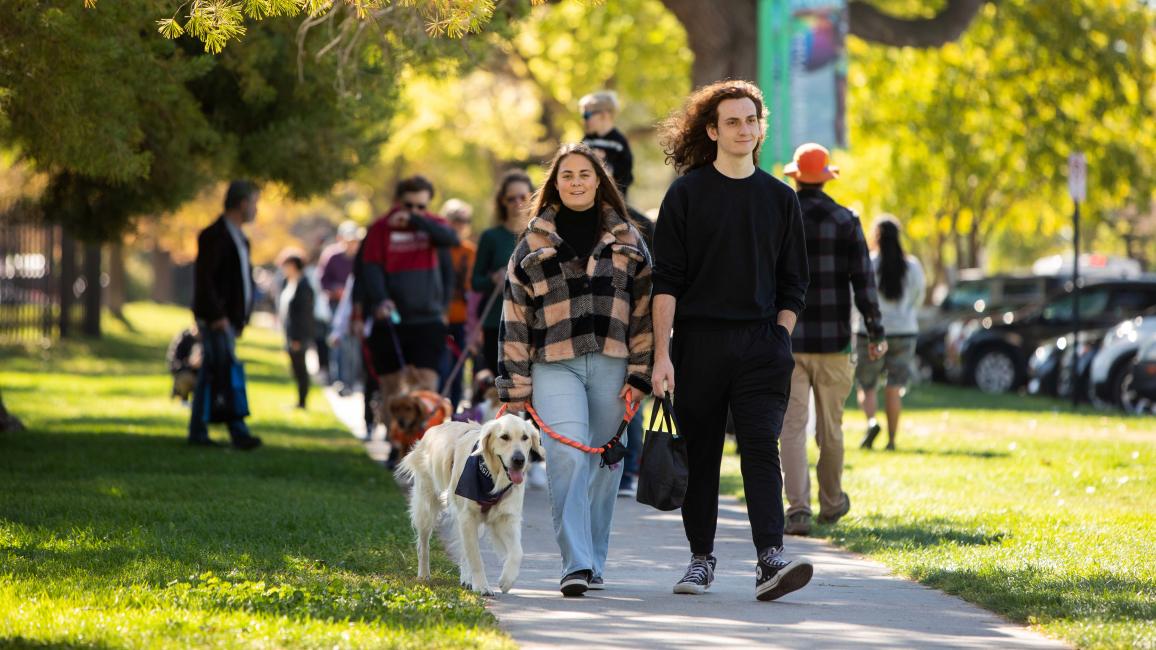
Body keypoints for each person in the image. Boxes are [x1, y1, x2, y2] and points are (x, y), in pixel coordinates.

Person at [650, 80, 812, 602]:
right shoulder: (685, 195)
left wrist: (778, 336)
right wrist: (662, 355)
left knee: (761, 447)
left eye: (751, 120)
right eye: (733, 121)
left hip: (762, 346)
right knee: (702, 454)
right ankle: (701, 559)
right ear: (714, 130)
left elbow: (795, 282)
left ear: (760, 128)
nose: (744, 129)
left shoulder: (780, 198)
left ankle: (771, 559)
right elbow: (666, 282)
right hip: (698, 343)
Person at [497, 142, 653, 597]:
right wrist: (514, 383)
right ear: (555, 183)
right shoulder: (533, 240)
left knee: (604, 465)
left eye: (585, 174)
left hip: (613, 364)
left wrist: (640, 372)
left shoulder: (628, 238)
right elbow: (514, 315)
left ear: (599, 181)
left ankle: (595, 559)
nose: (577, 182)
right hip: (553, 365)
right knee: (566, 457)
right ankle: (576, 564)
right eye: (568, 175)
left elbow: (644, 309)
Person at [780, 142, 886, 537]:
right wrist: (875, 332)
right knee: (831, 429)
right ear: (827, 177)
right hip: (835, 342)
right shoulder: (846, 220)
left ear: (795, 176)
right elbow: (865, 284)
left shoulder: (780, 218)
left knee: (791, 425)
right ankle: (832, 501)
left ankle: (798, 509)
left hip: (787, 339)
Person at [362, 176, 459, 462]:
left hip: (427, 319)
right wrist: (379, 299)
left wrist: (418, 220)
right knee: (392, 389)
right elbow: (370, 268)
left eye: (421, 205)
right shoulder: (380, 229)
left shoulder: (433, 225)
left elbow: (451, 239)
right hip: (391, 319)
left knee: (426, 388)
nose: (414, 210)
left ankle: (424, 451)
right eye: (409, 205)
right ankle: (395, 445)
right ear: (397, 202)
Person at [187, 180, 263, 451]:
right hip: (216, 320)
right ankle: (237, 431)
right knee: (223, 372)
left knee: (212, 372)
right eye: (254, 202)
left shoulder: (240, 237)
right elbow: (205, 280)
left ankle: (200, 430)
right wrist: (217, 315)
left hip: (229, 321)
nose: (256, 208)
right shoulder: (214, 235)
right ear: (242, 203)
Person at [857, 216, 925, 451]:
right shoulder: (913, 265)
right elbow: (919, 296)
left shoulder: (869, 262)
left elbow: (858, 295)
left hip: (871, 332)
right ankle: (892, 440)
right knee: (894, 387)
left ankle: (872, 422)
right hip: (905, 332)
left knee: (867, 384)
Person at [472, 170, 533, 376]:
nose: (517, 203)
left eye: (523, 197)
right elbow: (475, 281)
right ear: (502, 202)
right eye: (511, 198)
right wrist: (493, 279)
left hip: (533, 322)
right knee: (501, 388)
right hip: (496, 322)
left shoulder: (541, 234)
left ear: (532, 197)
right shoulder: (491, 237)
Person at [439, 198, 477, 409]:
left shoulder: (470, 251)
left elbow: (473, 288)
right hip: (439, 319)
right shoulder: (437, 249)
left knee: (458, 370)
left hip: (462, 320)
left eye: (464, 220)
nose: (459, 224)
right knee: (440, 370)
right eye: (455, 219)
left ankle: (454, 413)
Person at [318, 221, 362, 393]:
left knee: (354, 344)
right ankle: (340, 379)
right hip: (336, 305)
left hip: (356, 305)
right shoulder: (332, 256)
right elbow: (323, 281)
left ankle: (353, 380)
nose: (352, 244)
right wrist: (335, 290)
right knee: (339, 341)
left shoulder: (361, 257)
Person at [279, 253, 316, 409]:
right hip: (291, 334)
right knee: (295, 368)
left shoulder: (304, 286)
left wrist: (297, 338)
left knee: (301, 369)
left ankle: (302, 401)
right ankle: (300, 400)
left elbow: (304, 315)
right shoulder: (289, 283)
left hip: (298, 335)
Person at [580, 91, 633, 198]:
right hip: (589, 196)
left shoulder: (618, 142)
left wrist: (603, 163)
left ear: (604, 115)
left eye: (587, 115)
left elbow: (625, 175)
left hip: (613, 198)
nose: (584, 119)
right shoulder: (587, 140)